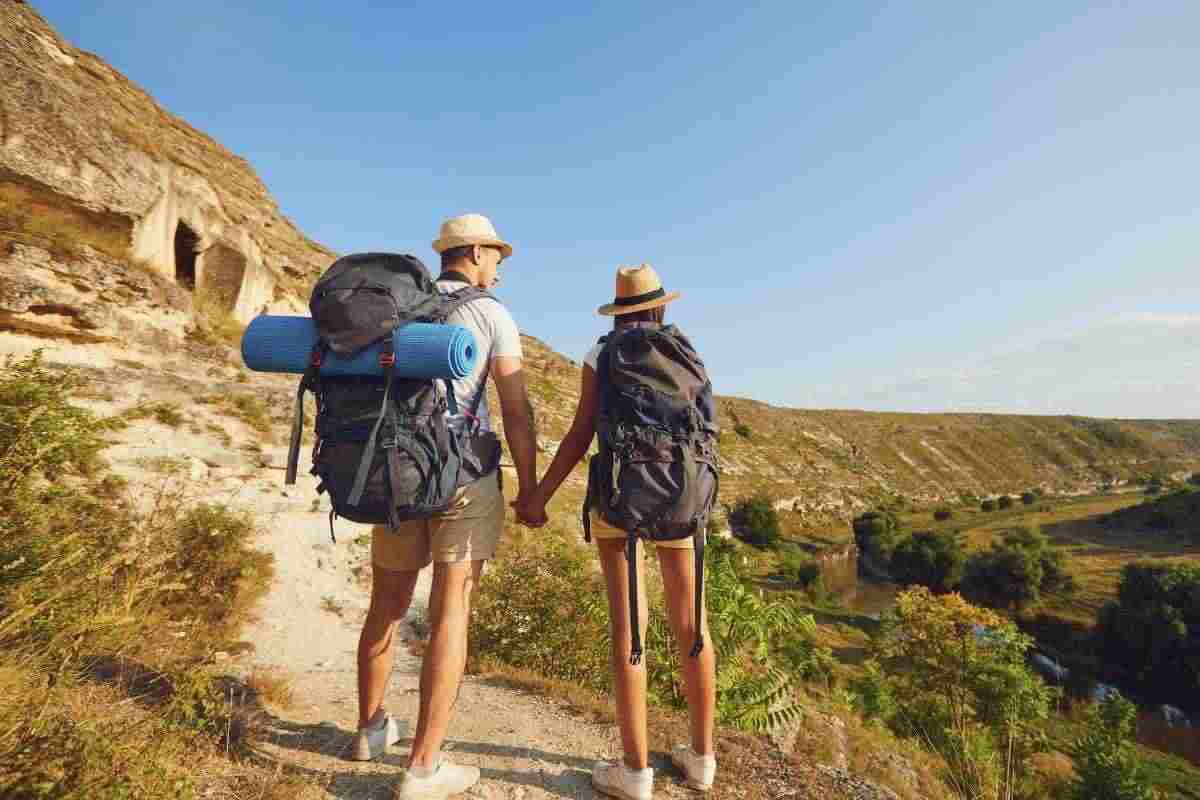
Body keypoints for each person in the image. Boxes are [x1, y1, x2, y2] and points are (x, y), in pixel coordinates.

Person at [353, 213, 543, 800]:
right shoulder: (490, 313)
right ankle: (423, 767)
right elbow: (514, 408)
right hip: (462, 477)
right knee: (450, 612)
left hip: (400, 474)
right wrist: (531, 488)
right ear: (478, 252)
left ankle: (369, 729)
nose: (501, 265)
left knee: (385, 604)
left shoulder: (403, 307)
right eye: (498, 255)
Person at [517, 264, 717, 800]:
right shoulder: (687, 350)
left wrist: (539, 495)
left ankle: (634, 772)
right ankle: (702, 760)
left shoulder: (601, 354)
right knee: (692, 624)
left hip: (621, 500)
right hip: (682, 493)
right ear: (661, 308)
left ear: (619, 310)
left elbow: (582, 432)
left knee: (631, 630)